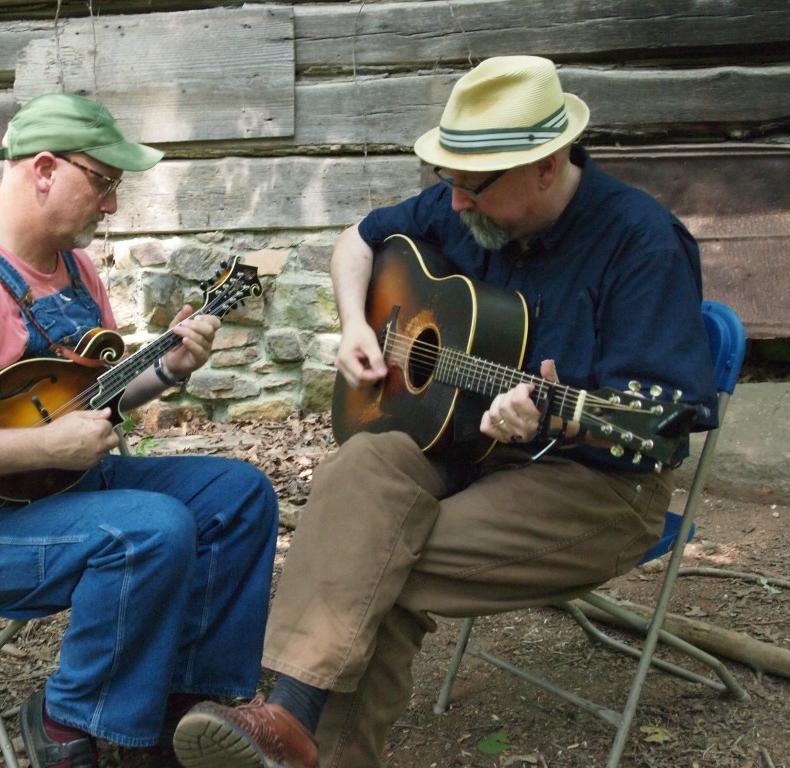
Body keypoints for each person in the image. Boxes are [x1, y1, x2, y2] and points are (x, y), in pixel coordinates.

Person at [171, 55, 718, 768]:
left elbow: (659, 422)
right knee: (363, 465)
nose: (454, 203)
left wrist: (547, 413)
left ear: (547, 166)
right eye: (447, 181)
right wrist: (356, 326)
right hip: (463, 449)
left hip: (593, 483)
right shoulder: (464, 208)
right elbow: (360, 239)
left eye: (474, 186)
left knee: (372, 568)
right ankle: (289, 729)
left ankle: (291, 723)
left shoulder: (641, 243)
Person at [0, 93, 279, 768]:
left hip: (63, 486)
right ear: (46, 169)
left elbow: (94, 400)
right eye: (105, 182)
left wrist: (167, 368)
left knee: (238, 495)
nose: (112, 204)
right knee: (151, 528)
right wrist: (41, 446)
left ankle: (190, 715)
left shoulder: (75, 269)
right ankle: (69, 722)